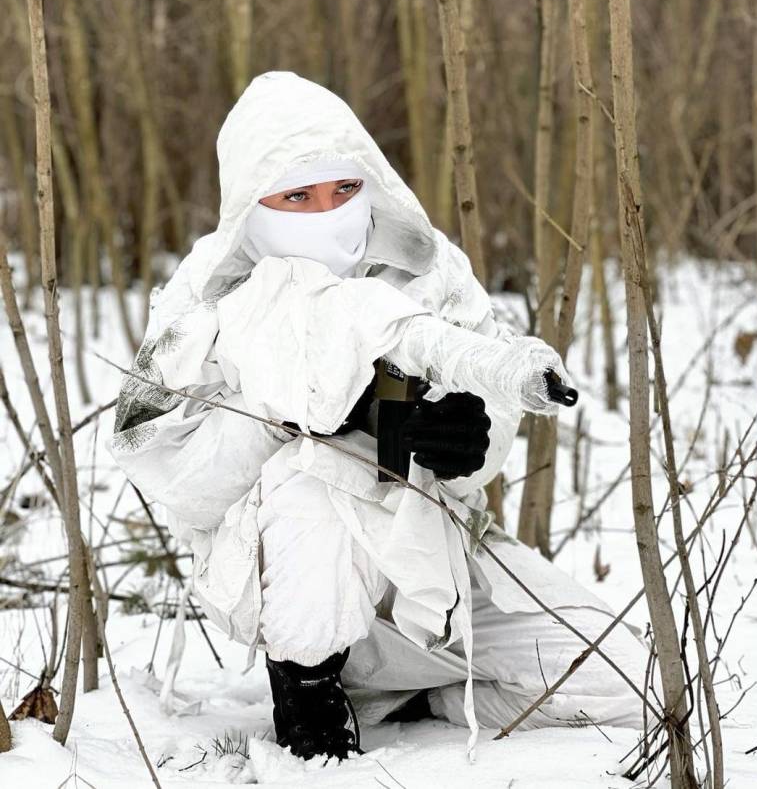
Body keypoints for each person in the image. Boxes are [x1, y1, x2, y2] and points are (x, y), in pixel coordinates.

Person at [110, 71, 649, 764]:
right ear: (253, 200)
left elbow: (485, 374)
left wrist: (467, 444)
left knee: (625, 682)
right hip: (293, 574)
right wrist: (292, 413)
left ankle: (418, 695)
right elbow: (172, 476)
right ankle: (310, 699)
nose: (327, 211)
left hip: (433, 568)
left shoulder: (426, 269)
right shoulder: (205, 298)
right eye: (297, 196)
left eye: (343, 189)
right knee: (319, 479)